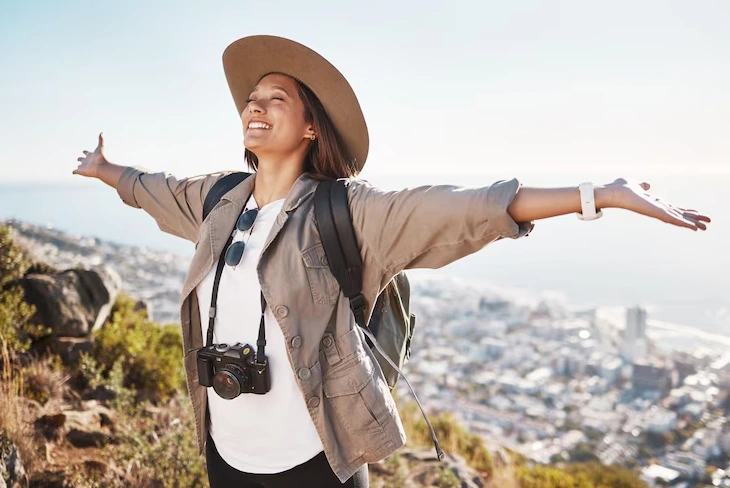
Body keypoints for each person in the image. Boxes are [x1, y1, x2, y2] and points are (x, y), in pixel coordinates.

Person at [72, 35, 711, 488]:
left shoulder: (350, 214)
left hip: (316, 465)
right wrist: (104, 169)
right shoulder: (216, 202)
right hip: (225, 456)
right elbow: (148, 188)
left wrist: (600, 195)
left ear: (312, 127)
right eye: (251, 98)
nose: (255, 106)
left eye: (276, 99)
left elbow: (462, 208)